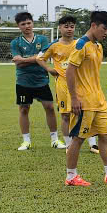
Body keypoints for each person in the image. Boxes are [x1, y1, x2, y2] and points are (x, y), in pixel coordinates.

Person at [63, 11, 107, 186]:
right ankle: (71, 176)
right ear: (93, 25)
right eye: (104, 28)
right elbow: (70, 71)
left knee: (105, 135)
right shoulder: (81, 45)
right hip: (84, 101)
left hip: (98, 100)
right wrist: (74, 98)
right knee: (78, 139)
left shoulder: (98, 46)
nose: (106, 33)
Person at [10, 11, 61, 151]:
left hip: (41, 80)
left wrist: (25, 60)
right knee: (24, 109)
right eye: (23, 24)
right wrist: (35, 59)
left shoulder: (43, 40)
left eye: (29, 23)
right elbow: (17, 63)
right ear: (18, 26)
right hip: (23, 81)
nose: (27, 26)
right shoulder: (16, 42)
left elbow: (42, 58)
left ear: (33, 23)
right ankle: (26, 141)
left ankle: (55, 139)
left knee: (50, 107)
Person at [39, 15, 79, 143]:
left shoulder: (80, 44)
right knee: (65, 115)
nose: (69, 29)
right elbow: (39, 58)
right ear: (60, 28)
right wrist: (49, 69)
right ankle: (68, 144)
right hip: (62, 84)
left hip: (79, 83)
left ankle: (92, 144)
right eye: (66, 26)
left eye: (72, 27)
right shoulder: (54, 45)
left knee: (82, 113)